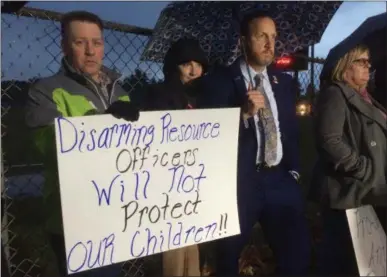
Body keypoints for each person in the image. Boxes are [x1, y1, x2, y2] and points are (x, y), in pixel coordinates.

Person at [24, 10, 138, 276]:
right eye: (80, 42)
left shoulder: (119, 92)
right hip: (74, 218)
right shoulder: (45, 90)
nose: (90, 51)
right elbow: (47, 145)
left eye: (96, 43)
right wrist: (101, 124)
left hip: (117, 212)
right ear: (64, 46)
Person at [197, 10, 311, 275]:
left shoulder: (282, 82)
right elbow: (208, 136)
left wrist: (293, 172)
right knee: (227, 258)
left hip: (280, 180)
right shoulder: (218, 81)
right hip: (240, 183)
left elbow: (290, 131)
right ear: (243, 41)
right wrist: (242, 114)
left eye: (273, 37)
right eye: (262, 36)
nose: (270, 44)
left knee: (296, 257)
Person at [137, 38, 208, 276]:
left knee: (195, 251)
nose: (193, 69)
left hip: (199, 186)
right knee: (173, 255)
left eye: (198, 64)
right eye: (186, 63)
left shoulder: (207, 97)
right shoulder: (159, 95)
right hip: (168, 191)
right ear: (172, 67)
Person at [313, 44, 387, 275]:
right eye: (361, 62)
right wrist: (364, 168)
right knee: (350, 260)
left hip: (368, 190)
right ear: (345, 65)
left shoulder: (366, 97)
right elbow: (330, 140)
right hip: (350, 193)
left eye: (368, 62)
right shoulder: (336, 93)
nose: (368, 67)